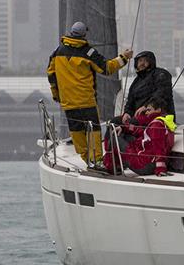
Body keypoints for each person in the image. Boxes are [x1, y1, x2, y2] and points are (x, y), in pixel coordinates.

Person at [47, 21, 133, 163]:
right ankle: (97, 160)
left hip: (68, 103)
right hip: (86, 101)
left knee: (76, 132)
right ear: (84, 34)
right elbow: (107, 68)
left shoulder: (57, 52)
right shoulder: (88, 52)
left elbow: (51, 75)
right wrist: (124, 57)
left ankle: (86, 159)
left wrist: (56, 95)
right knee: (93, 131)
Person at [103, 97, 176, 176]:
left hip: (144, 165)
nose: (146, 113)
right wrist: (124, 128)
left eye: (149, 110)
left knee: (114, 139)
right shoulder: (164, 122)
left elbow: (159, 147)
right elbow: (144, 134)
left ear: (158, 110)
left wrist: (160, 169)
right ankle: (116, 165)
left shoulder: (157, 125)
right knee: (124, 135)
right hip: (148, 162)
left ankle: (110, 167)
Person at [121, 50, 175, 125]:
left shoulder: (161, 74)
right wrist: (127, 113)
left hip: (157, 117)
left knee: (129, 125)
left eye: (146, 60)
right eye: (140, 61)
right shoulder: (136, 82)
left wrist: (148, 106)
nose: (142, 63)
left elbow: (162, 92)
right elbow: (130, 101)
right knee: (115, 122)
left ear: (151, 62)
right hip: (138, 117)